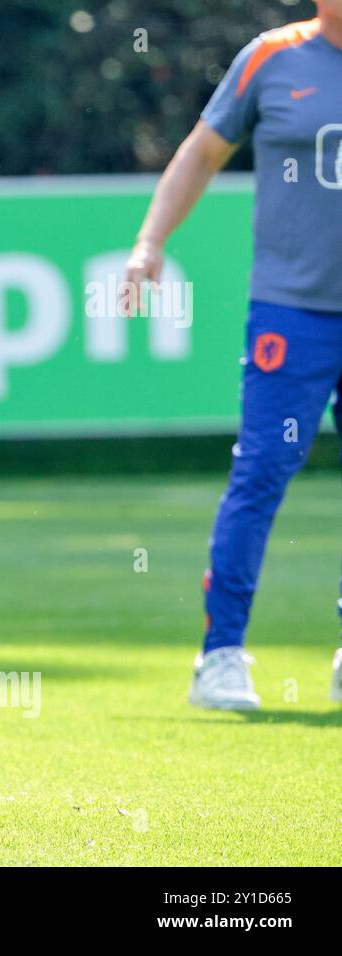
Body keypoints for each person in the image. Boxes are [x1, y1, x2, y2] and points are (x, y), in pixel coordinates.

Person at [122, 4, 342, 710]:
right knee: (261, 475)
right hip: (292, 312)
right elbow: (200, 150)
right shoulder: (271, 58)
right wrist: (150, 243)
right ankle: (220, 656)